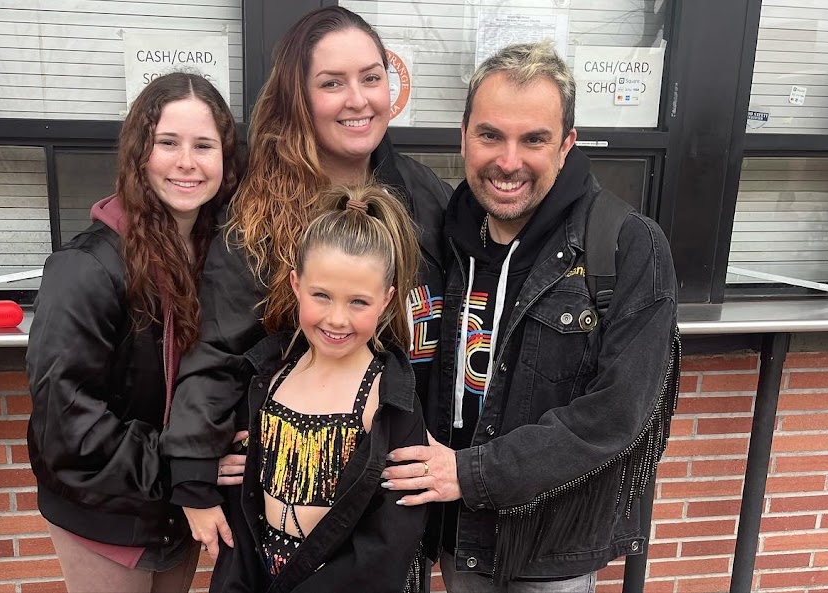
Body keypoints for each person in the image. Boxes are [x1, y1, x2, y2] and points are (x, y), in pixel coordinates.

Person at [164, 6, 450, 587]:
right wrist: (194, 469)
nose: (358, 99)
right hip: (289, 491)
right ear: (299, 96)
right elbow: (218, 350)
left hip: (391, 500)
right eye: (332, 83)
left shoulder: (428, 199)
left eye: (371, 77)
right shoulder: (257, 212)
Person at [382, 41, 680, 591]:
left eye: (534, 140)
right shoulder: (446, 238)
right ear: (463, 136)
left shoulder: (627, 244)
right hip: (456, 534)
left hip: (548, 549)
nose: (508, 161)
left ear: (567, 145)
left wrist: (470, 473)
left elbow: (617, 413)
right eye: (490, 135)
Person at [26, 72, 243, 593]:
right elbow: (66, 427)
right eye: (167, 143)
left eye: (204, 145)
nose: (187, 161)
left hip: (179, 508)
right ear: (139, 153)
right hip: (105, 516)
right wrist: (180, 466)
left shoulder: (222, 259)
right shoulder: (85, 268)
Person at [226, 184, 429, 592]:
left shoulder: (389, 400)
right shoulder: (268, 379)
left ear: (387, 301)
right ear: (296, 284)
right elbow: (245, 508)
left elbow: (390, 542)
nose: (337, 319)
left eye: (358, 302)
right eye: (321, 295)